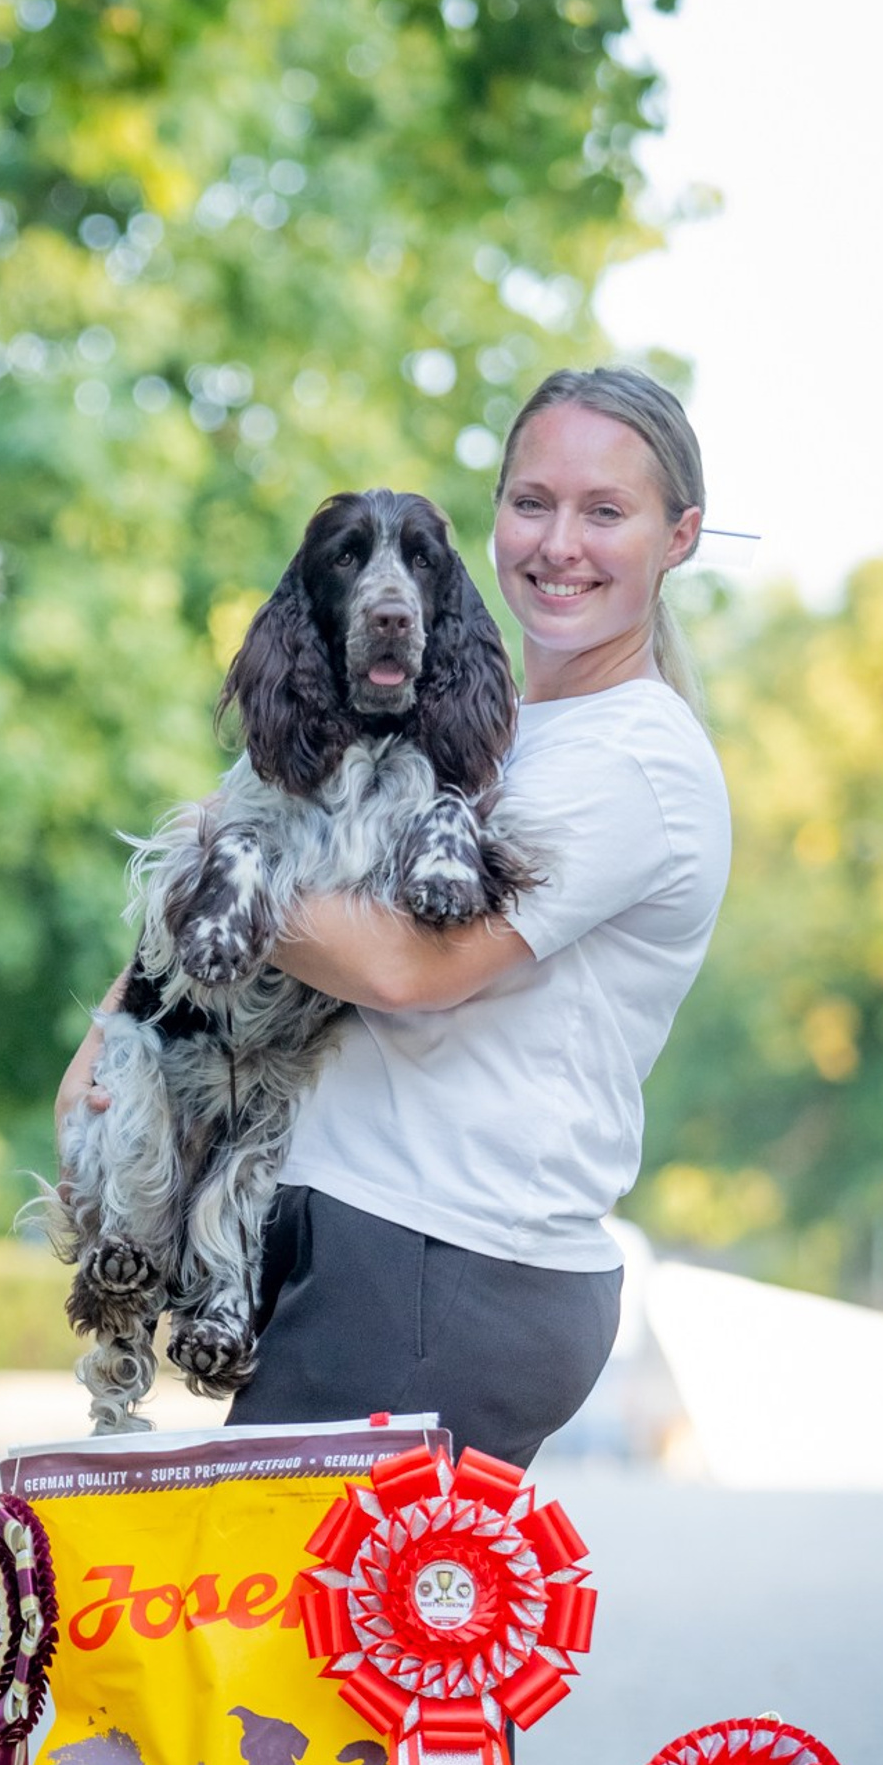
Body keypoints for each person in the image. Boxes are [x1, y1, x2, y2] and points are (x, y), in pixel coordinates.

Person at [54, 364, 730, 1466]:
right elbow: (256, 862)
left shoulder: (634, 758)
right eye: (532, 503)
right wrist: (109, 1039)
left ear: (678, 536)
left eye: (605, 512)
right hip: (372, 1247)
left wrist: (210, 845)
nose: (560, 542)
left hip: (445, 1265)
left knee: (300, 1632)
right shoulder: (493, 731)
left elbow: (404, 967)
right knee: (304, 1636)